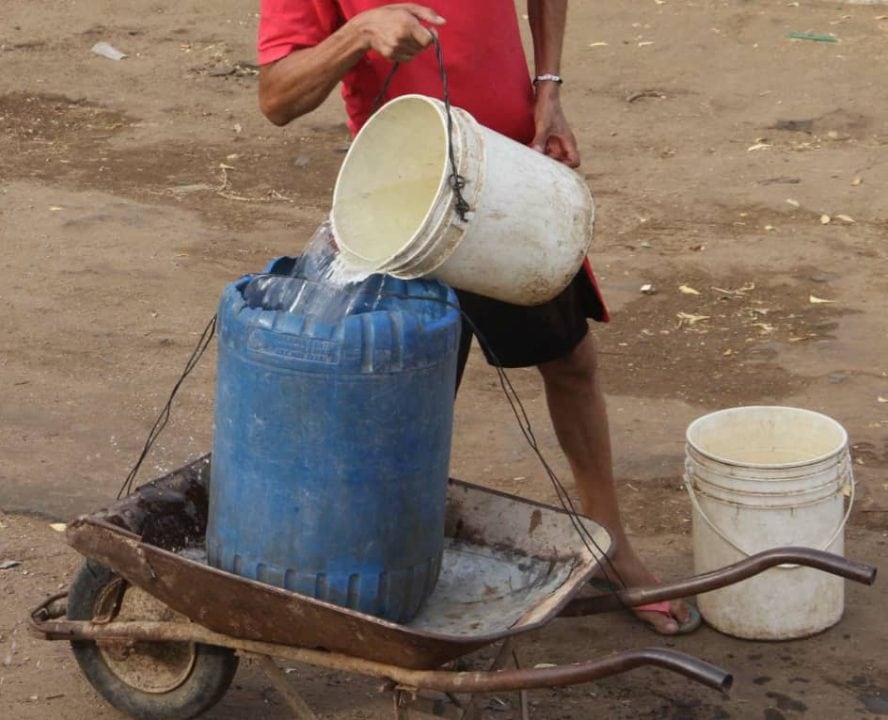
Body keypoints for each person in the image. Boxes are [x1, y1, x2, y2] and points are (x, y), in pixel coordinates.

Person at [256, 1, 698, 634]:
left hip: (507, 178)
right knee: (407, 404)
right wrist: (356, 35)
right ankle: (378, 580)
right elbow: (276, 98)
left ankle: (612, 549)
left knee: (571, 361)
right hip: (407, 201)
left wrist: (548, 86)